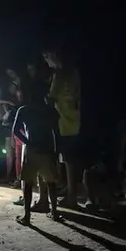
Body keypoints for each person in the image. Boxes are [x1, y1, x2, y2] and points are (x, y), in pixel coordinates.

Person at [12, 88, 63, 225]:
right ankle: (55, 212)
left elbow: (16, 130)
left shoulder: (23, 110)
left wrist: (29, 142)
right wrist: (56, 151)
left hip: (32, 149)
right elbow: (57, 133)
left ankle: (27, 216)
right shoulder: (50, 111)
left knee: (27, 184)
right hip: (47, 149)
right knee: (51, 182)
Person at [43, 48, 81, 206]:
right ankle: (69, 188)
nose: (46, 60)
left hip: (65, 121)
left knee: (69, 159)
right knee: (70, 159)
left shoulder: (59, 74)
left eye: (46, 56)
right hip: (76, 118)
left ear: (53, 55)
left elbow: (51, 98)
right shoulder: (74, 71)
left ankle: (72, 195)